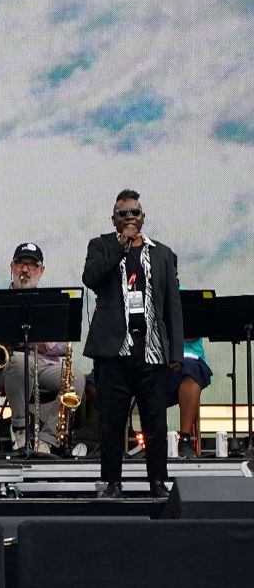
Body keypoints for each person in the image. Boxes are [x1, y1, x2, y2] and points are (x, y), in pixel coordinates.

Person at [82, 189, 181, 500]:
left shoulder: (162, 253)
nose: (128, 217)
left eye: (134, 212)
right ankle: (112, 482)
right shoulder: (100, 246)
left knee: (155, 422)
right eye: (122, 213)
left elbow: (172, 307)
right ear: (113, 220)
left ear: (143, 217)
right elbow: (92, 278)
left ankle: (157, 482)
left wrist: (174, 352)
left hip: (151, 351)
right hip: (114, 351)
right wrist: (120, 248)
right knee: (111, 422)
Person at [0, 243, 69, 453]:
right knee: (20, 361)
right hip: (5, 369)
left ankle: (46, 440)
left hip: (42, 364)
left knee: (75, 380)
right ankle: (20, 429)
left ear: (42, 270)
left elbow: (64, 345)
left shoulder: (49, 303)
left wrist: (38, 344)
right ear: (12, 266)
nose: (26, 270)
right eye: (21, 264)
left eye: (32, 265)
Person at [171, 337, 212, 456]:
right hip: (151, 356)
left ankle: (184, 439)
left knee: (191, 370)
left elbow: (192, 335)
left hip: (188, 356)